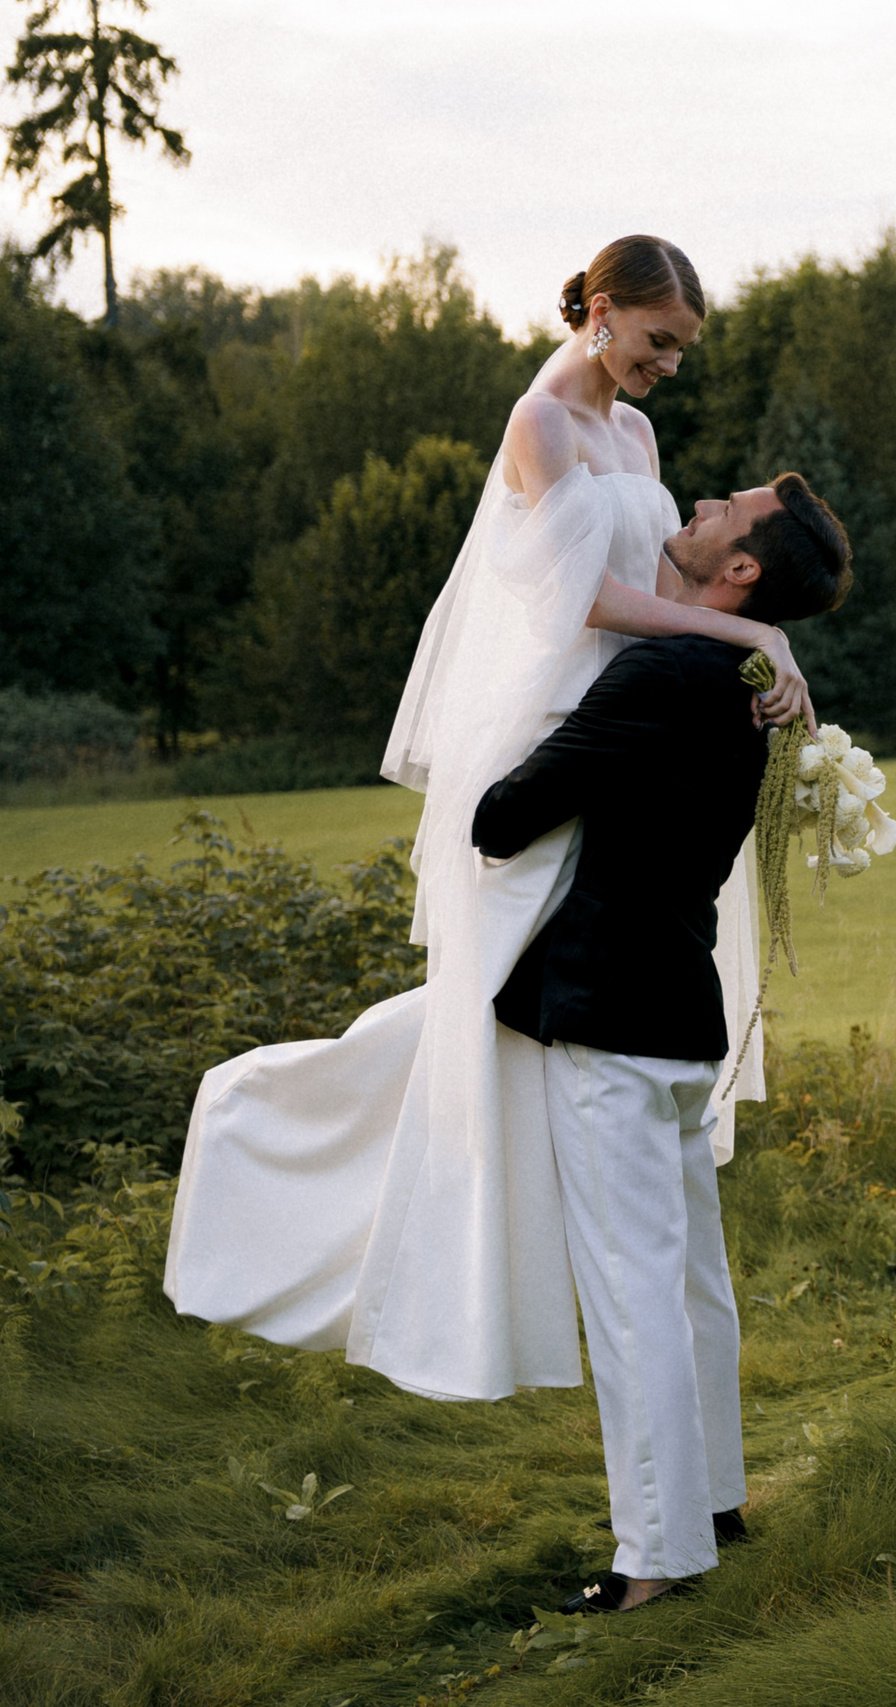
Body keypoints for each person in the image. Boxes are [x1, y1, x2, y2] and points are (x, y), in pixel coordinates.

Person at [165, 237, 808, 1403]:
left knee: (545, 1008)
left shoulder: (638, 434)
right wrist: (747, 633)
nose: (671, 364)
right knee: (490, 1006)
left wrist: (734, 661)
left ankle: (541, 1264)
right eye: (659, 340)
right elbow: (584, 600)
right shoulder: (539, 424)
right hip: (550, 743)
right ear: (601, 311)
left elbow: (667, 586)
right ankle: (272, 1143)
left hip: (628, 735)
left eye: (681, 348)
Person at [472, 473, 851, 1614]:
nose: (701, 504)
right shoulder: (747, 686)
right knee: (691, 1283)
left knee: (633, 1293)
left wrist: (512, 728)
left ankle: (657, 1560)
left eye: (725, 511)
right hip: (680, 1012)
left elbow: (502, 820)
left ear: (740, 570)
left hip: (610, 1018)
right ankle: (715, 1501)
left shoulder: (663, 673)